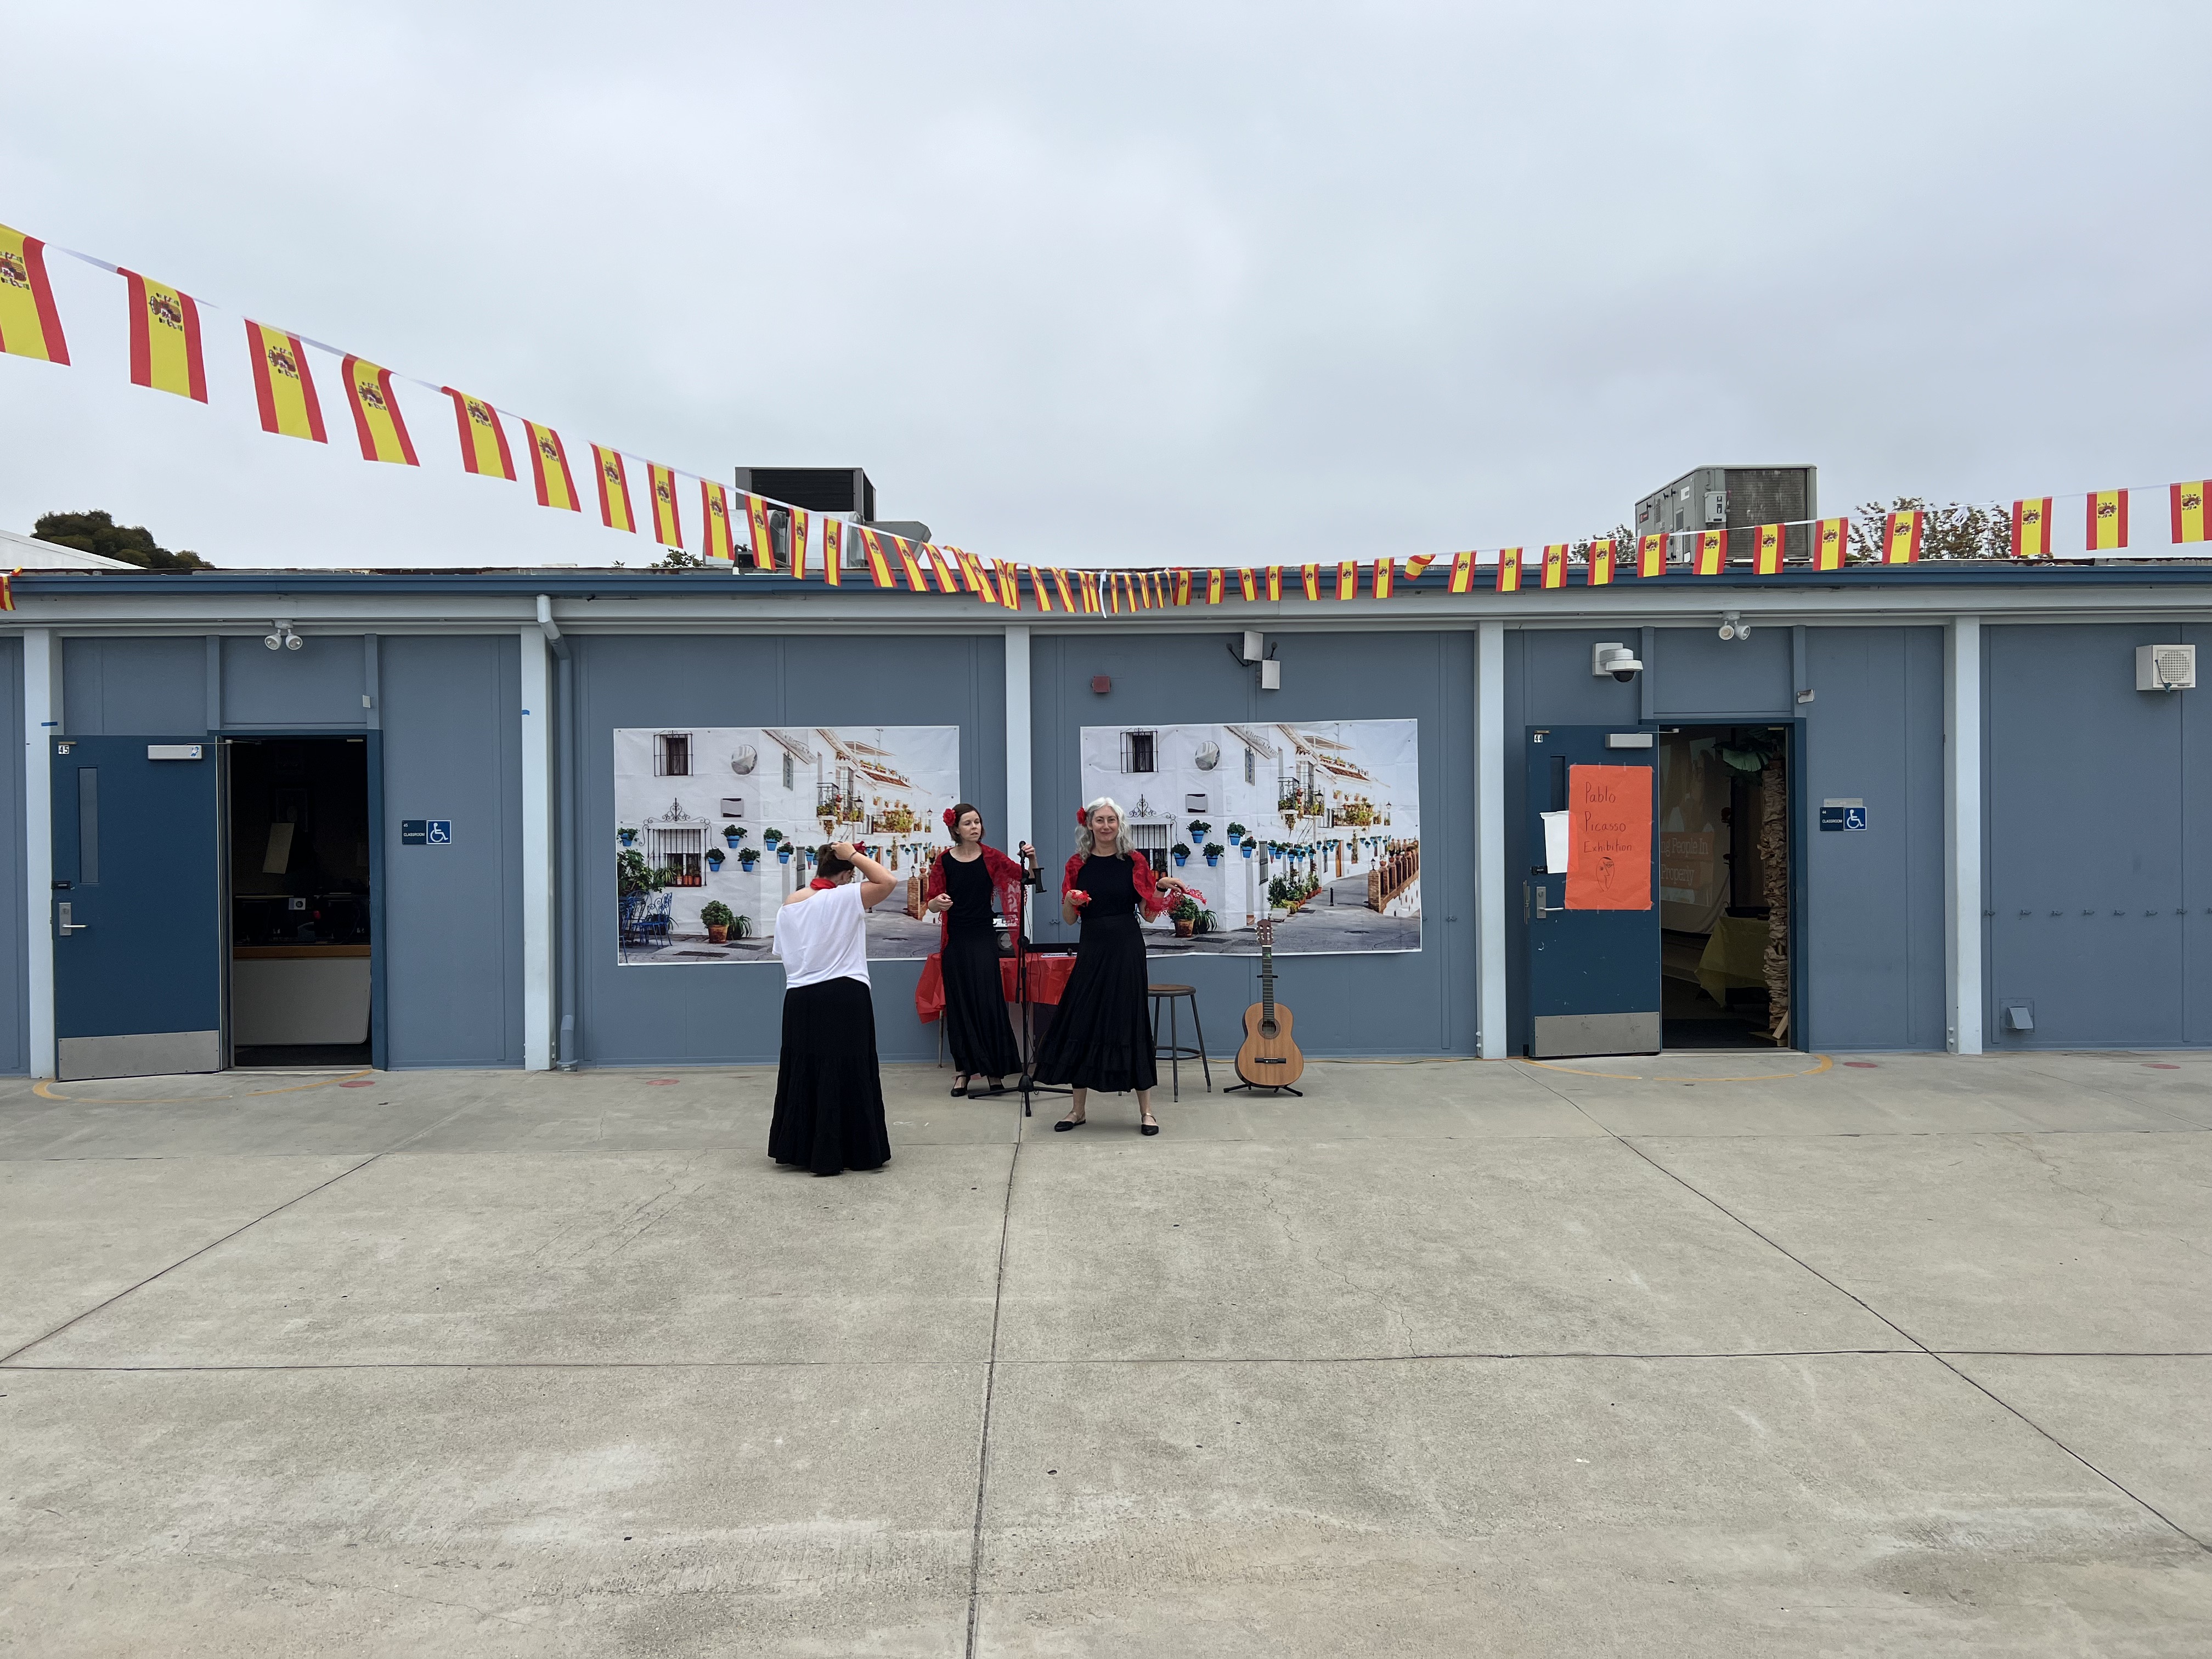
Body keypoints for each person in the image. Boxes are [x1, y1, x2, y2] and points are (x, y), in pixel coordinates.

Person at [1031, 796, 1189, 1135]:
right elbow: (1070, 919)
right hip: (1091, 947)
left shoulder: (1135, 861)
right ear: (1088, 825)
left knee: (1130, 1020)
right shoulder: (1077, 864)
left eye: (1111, 820)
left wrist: (1165, 893)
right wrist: (1071, 902)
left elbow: (1147, 915)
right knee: (1081, 1019)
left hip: (1127, 948)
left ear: (1120, 825)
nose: (1105, 826)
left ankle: (1147, 1112)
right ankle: (1078, 1110)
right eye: (1099, 820)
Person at [768, 840, 899, 1175]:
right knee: (850, 1070)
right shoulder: (845, 896)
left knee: (805, 1071)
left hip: (800, 997)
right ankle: (854, 1149)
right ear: (846, 875)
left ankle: (804, 1148)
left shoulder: (790, 904)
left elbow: (785, 954)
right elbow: (887, 881)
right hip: (844, 992)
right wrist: (854, 855)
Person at [923, 804, 1036, 1097]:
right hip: (956, 940)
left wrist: (1032, 859)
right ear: (956, 829)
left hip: (983, 937)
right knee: (960, 1006)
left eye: (977, 822)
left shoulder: (992, 857)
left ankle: (995, 1071)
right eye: (968, 823)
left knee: (989, 1003)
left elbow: (1027, 879)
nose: (975, 827)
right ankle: (963, 1072)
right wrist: (940, 904)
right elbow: (931, 902)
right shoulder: (944, 861)